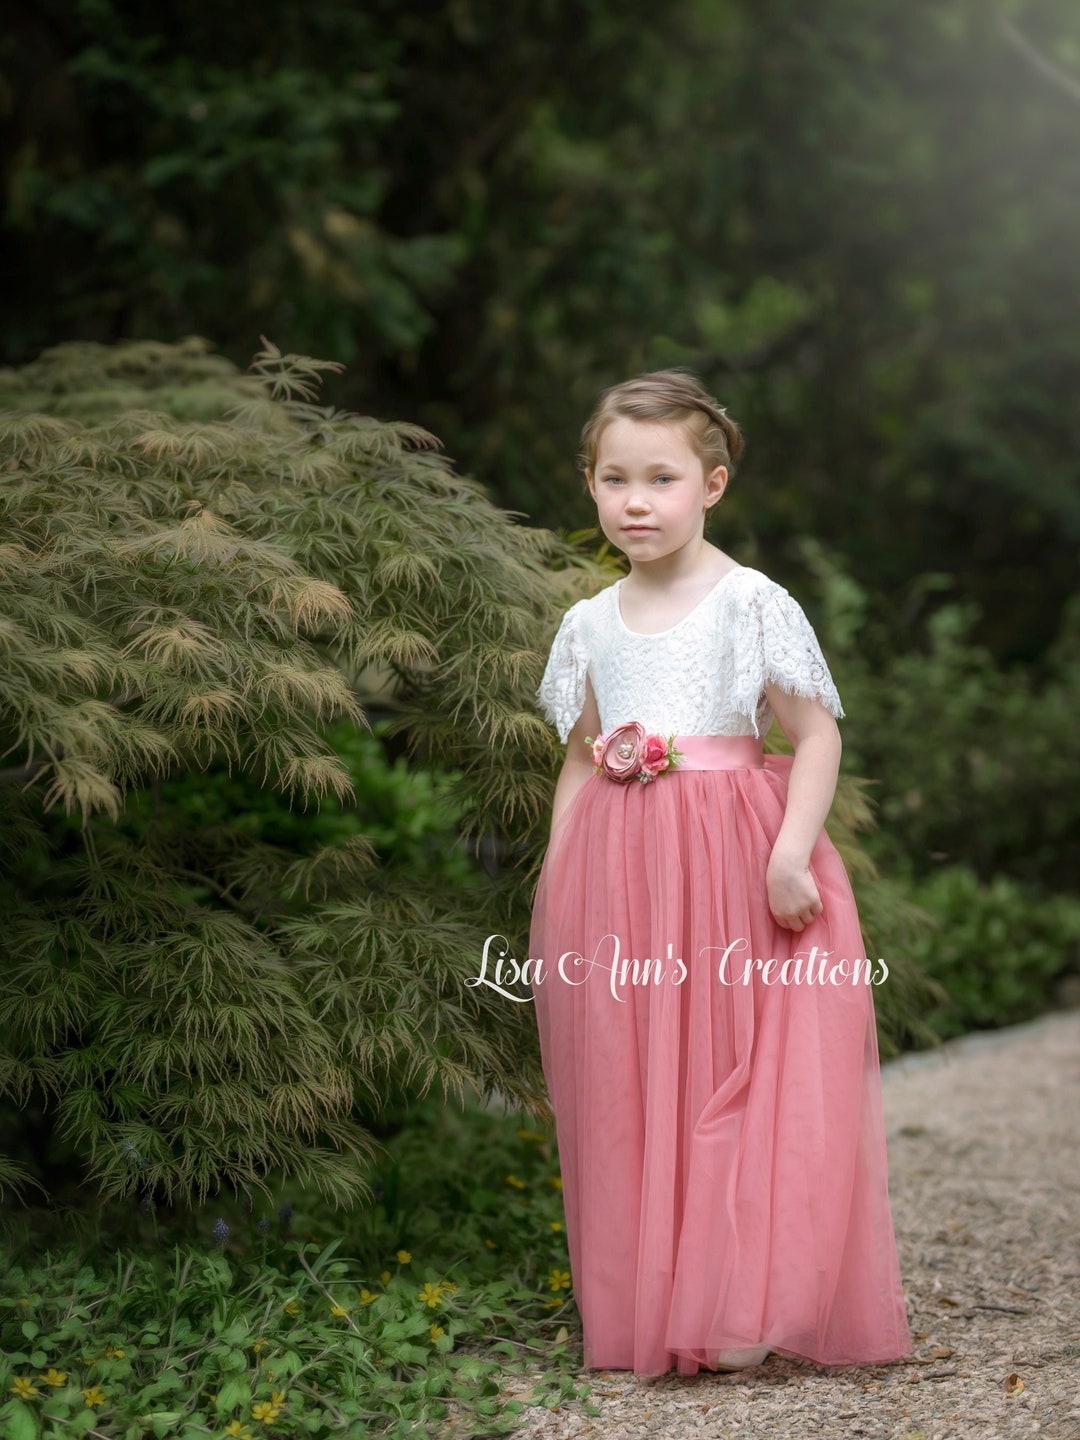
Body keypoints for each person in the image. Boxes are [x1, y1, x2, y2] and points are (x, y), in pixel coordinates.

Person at [528, 369, 912, 1377]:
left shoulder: (750, 602)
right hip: (624, 878)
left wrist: (792, 851)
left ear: (714, 484)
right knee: (636, 1079)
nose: (638, 501)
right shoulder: (589, 624)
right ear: (591, 485)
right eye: (616, 479)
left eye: (662, 477)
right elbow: (580, 751)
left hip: (737, 862)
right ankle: (658, 1302)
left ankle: (743, 1295)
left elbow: (816, 735)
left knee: (739, 1068)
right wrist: (562, 870)